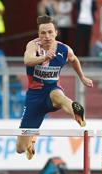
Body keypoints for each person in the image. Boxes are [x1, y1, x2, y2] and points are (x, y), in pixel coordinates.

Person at [16, 15, 93, 160]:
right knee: (20, 148)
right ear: (38, 35)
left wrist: (82, 77)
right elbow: (27, 60)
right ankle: (31, 141)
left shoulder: (64, 49)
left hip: (52, 90)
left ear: (56, 33)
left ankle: (77, 112)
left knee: (59, 97)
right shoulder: (33, 45)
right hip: (34, 98)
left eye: (50, 32)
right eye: (43, 33)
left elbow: (74, 59)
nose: (47, 36)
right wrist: (44, 58)